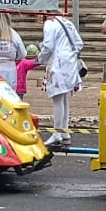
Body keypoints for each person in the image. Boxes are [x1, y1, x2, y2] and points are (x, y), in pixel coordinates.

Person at [36, 9, 85, 148]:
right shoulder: (67, 22)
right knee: (64, 98)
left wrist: (39, 59)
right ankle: (64, 131)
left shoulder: (50, 24)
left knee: (57, 98)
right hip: (69, 63)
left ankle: (57, 133)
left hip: (58, 64)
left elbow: (48, 46)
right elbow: (79, 44)